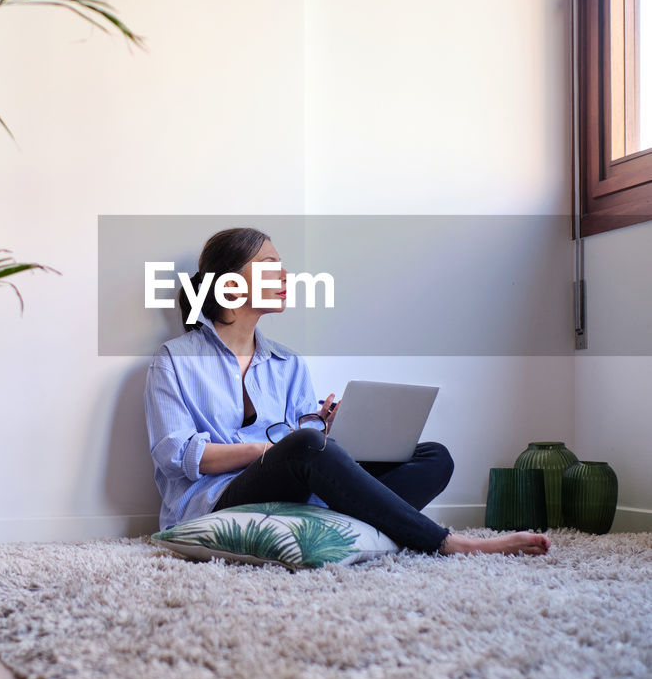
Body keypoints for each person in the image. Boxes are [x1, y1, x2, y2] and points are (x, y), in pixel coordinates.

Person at [144, 227, 551, 557]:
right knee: (306, 446)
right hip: (219, 500)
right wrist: (268, 451)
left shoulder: (288, 363)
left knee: (434, 457)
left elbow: (303, 448)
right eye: (271, 267)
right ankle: (445, 542)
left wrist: (326, 430)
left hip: (296, 493)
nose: (286, 277)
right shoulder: (173, 360)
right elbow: (175, 454)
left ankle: (338, 523)